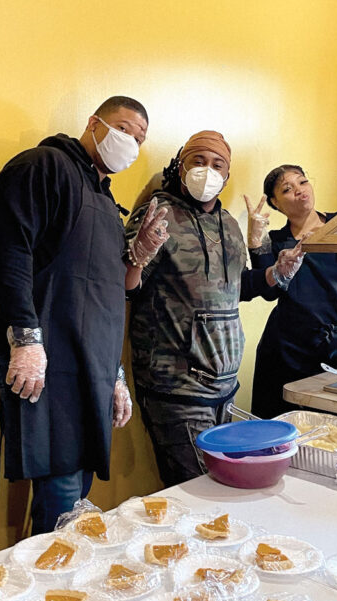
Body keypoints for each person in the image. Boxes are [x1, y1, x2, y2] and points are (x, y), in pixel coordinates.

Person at [0, 96, 170, 535]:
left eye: (139, 139)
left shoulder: (106, 202)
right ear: (94, 123)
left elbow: (107, 294)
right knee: (61, 495)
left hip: (90, 367)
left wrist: (115, 373)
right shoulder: (43, 166)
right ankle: (52, 594)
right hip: (51, 362)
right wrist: (26, 339)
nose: (130, 143)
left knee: (75, 493)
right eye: (124, 129)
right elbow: (8, 251)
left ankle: (60, 589)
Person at [125, 131, 304, 487]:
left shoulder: (228, 225)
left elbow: (239, 288)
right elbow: (125, 287)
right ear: (180, 167)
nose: (208, 171)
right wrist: (136, 256)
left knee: (221, 490)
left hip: (224, 387)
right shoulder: (157, 214)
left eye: (217, 165)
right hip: (175, 388)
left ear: (226, 174)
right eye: (198, 161)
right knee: (199, 492)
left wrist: (276, 273)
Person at [246, 165, 337, 419]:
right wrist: (255, 244)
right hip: (288, 350)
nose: (299, 191)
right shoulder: (275, 241)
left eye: (303, 182)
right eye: (287, 189)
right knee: (291, 433)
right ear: (275, 203)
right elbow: (270, 294)